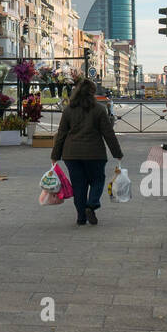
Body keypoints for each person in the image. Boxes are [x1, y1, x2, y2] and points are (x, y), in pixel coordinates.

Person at [50, 77, 123, 226]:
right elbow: (108, 133)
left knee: (78, 186)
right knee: (97, 180)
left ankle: (81, 217)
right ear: (92, 92)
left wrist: (55, 155)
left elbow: (61, 134)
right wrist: (117, 153)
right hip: (95, 154)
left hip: (72, 154)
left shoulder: (69, 110)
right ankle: (91, 205)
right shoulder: (99, 109)